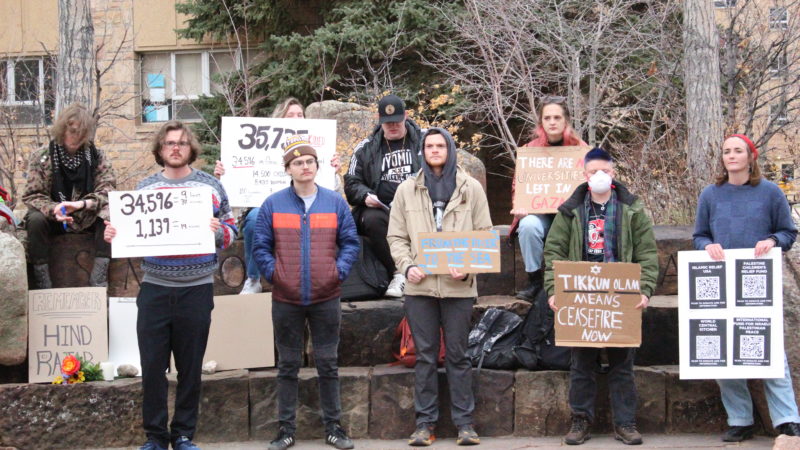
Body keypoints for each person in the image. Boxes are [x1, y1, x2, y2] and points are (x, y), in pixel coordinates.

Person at [104, 120, 237, 450]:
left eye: (181, 142)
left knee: (190, 368)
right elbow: (129, 233)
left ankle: (182, 435)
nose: (175, 148)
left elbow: (233, 231)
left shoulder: (210, 187)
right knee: (152, 367)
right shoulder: (144, 189)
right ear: (159, 150)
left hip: (197, 287)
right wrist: (114, 235)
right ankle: (155, 436)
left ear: (191, 148)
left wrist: (218, 230)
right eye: (168, 143)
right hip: (155, 287)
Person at [544, 147, 657, 446]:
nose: (598, 176)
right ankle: (580, 420)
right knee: (581, 364)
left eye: (604, 171)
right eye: (593, 171)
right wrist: (555, 290)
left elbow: (647, 254)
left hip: (620, 296)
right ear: (585, 175)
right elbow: (553, 251)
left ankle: (626, 423)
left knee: (623, 364)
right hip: (582, 296)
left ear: (613, 174)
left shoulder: (632, 209)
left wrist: (644, 290)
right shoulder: (570, 211)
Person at [253, 136, 360, 450]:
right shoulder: (273, 204)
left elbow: (351, 242)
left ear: (316, 166)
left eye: (309, 162)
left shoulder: (335, 202)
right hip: (286, 297)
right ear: (288, 169)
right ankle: (285, 430)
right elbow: (260, 247)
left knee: (328, 363)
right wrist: (276, 275)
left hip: (326, 296)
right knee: (287, 365)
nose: (304, 167)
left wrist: (336, 272)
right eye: (298, 163)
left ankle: (334, 429)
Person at [387, 128, 492, 447]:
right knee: (425, 356)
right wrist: (407, 267)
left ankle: (465, 425)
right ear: (422, 150)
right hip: (420, 289)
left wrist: (468, 268)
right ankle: (424, 425)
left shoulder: (470, 188)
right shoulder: (406, 190)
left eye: (440, 145)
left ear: (450, 149)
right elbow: (396, 237)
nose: (434, 150)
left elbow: (485, 234)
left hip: (458, 287)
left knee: (459, 356)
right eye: (429, 146)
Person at [693, 134, 800, 442]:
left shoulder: (770, 193)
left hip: (758, 281)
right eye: (726, 151)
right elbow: (699, 235)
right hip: (720, 283)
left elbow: (787, 232)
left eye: (738, 150)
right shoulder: (710, 195)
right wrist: (707, 246)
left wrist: (772, 241)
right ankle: (740, 419)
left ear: (750, 156)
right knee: (723, 351)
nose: (732, 156)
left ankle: (787, 419)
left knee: (770, 349)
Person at [215, 97, 306, 294]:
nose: (296, 119)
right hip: (263, 204)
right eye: (290, 115)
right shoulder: (259, 143)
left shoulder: (314, 148)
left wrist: (332, 171)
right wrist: (224, 174)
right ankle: (253, 279)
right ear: (279, 119)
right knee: (255, 219)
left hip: (302, 205)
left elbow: (330, 189)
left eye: (300, 115)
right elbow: (231, 191)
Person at [22, 103, 116, 289]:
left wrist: (82, 204)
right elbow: (32, 195)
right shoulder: (42, 157)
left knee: (110, 214)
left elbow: (108, 191)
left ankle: (98, 277)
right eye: (72, 130)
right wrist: (53, 209)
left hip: (86, 215)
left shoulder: (97, 156)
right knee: (35, 219)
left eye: (81, 132)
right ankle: (42, 279)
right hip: (55, 218)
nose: (76, 136)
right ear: (62, 129)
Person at [345, 94, 423, 298]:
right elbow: (351, 183)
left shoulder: (425, 141)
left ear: (405, 116)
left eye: (396, 121)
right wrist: (365, 196)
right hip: (382, 209)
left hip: (419, 205)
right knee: (371, 218)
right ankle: (399, 273)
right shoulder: (366, 147)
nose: (392, 126)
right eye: (387, 123)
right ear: (380, 121)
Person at [511, 96, 587, 301]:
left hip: (572, 216)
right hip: (541, 213)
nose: (552, 122)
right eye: (547, 118)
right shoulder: (530, 150)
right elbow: (519, 186)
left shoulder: (581, 150)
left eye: (557, 117)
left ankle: (574, 281)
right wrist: (520, 206)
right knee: (527, 225)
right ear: (541, 123)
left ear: (566, 121)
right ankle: (534, 281)